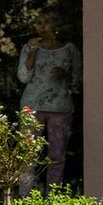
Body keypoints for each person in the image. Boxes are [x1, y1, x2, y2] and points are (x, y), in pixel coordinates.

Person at [17, 13, 79, 192]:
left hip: (60, 107)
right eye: (38, 23)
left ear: (56, 25)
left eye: (47, 21)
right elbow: (23, 76)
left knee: (56, 155)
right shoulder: (29, 48)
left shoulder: (69, 49)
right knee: (28, 155)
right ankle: (25, 200)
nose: (42, 26)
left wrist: (66, 75)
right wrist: (33, 52)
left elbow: (78, 79)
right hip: (32, 106)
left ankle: (53, 199)